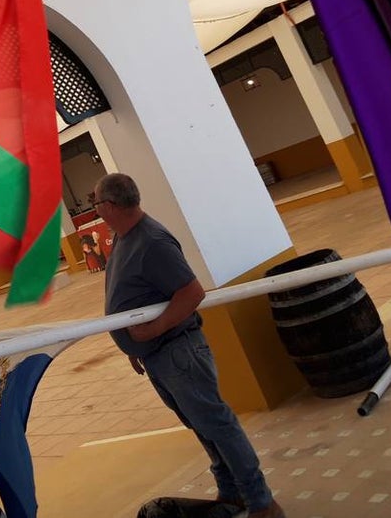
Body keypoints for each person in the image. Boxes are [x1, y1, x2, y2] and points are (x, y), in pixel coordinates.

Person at [96, 173, 286, 518]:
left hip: (177, 352)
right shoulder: (123, 239)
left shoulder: (152, 242)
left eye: (97, 203)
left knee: (217, 424)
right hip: (156, 355)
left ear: (109, 206)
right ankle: (232, 494)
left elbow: (192, 293)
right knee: (201, 425)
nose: (97, 210)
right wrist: (133, 348)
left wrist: (156, 328)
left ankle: (262, 503)